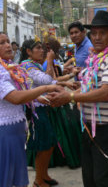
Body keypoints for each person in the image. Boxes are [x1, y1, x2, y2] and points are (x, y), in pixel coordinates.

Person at [48, 10, 108, 187]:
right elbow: (93, 86)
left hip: (107, 129)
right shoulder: (97, 56)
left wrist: (70, 96)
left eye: (103, 33)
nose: (97, 37)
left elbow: (106, 92)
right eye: (94, 33)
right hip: (90, 128)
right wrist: (76, 88)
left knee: (106, 179)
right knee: (91, 178)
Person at [0, 33, 60, 187]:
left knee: (15, 176)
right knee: (6, 176)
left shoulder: (8, 67)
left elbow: (22, 91)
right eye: (2, 43)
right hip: (5, 132)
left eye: (7, 41)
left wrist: (38, 98)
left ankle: (42, 177)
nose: (8, 45)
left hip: (16, 130)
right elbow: (14, 97)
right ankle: (40, 179)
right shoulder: (5, 70)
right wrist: (45, 89)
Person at [20, 39, 63, 187]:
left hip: (43, 108)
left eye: (42, 48)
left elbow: (52, 83)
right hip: (36, 110)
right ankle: (38, 180)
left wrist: (66, 83)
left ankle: (44, 175)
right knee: (43, 145)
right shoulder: (27, 66)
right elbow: (47, 80)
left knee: (49, 143)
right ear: (28, 52)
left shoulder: (35, 65)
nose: (42, 50)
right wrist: (50, 61)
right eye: (38, 48)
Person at [42, 38, 82, 169]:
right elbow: (52, 80)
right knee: (61, 131)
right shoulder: (46, 63)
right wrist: (70, 77)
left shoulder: (52, 61)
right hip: (53, 98)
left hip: (58, 95)